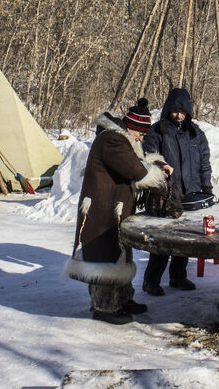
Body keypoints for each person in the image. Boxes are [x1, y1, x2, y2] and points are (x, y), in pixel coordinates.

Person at [64, 98, 171, 325]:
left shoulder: (122, 140)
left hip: (113, 209)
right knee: (103, 259)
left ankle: (123, 300)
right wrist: (157, 173)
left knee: (118, 255)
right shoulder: (112, 140)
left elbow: (139, 161)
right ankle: (104, 306)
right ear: (132, 128)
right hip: (102, 211)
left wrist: (158, 165)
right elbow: (136, 169)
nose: (143, 139)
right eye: (141, 134)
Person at [141, 88, 212, 296]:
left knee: (184, 239)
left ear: (188, 111)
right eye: (175, 110)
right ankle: (151, 280)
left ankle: (178, 276)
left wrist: (206, 187)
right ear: (168, 109)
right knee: (163, 239)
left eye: (182, 111)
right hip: (166, 194)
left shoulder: (196, 133)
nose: (178, 114)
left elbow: (204, 163)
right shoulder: (158, 131)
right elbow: (150, 158)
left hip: (190, 192)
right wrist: (161, 174)